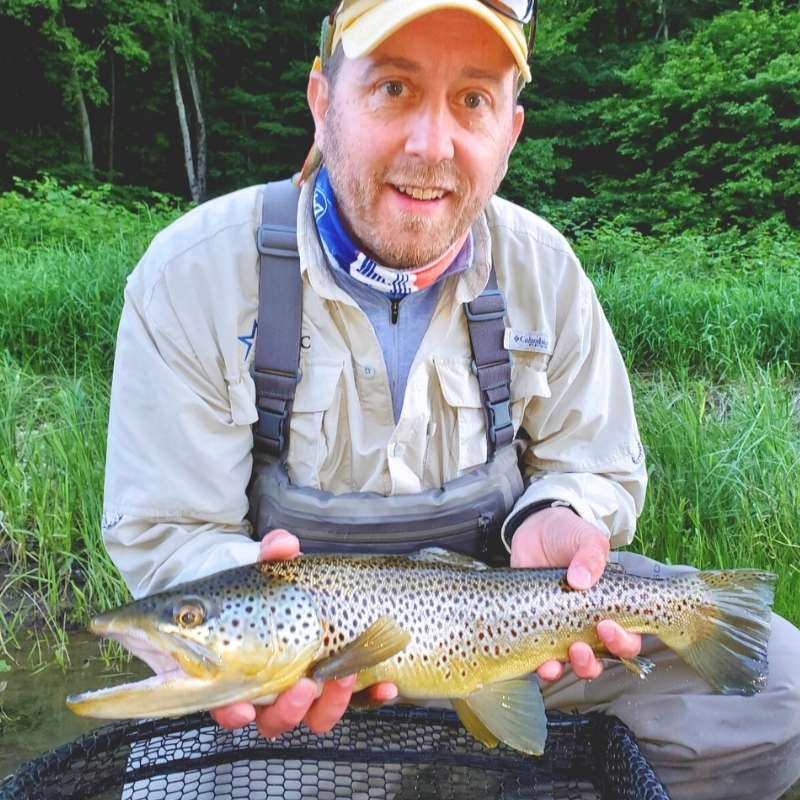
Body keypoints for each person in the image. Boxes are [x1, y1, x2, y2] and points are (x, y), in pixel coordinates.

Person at [101, 1, 800, 798]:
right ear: (322, 101)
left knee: (783, 689)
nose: (431, 145)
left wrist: (561, 514)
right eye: (393, 88)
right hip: (301, 693)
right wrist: (244, 621)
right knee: (168, 789)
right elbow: (170, 536)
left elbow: (596, 466)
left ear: (511, 130)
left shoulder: (545, 270)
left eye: (473, 99)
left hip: (518, 641)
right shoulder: (192, 276)